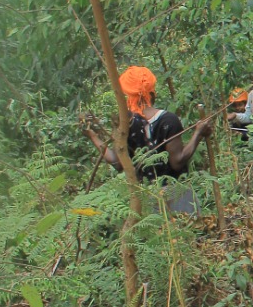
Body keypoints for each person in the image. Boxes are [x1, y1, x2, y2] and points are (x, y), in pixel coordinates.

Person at [83, 65, 213, 212]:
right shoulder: (168, 120)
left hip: (146, 200)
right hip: (178, 195)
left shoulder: (125, 127)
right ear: (151, 92)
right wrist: (198, 134)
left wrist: (93, 136)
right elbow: (177, 161)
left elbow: (117, 162)